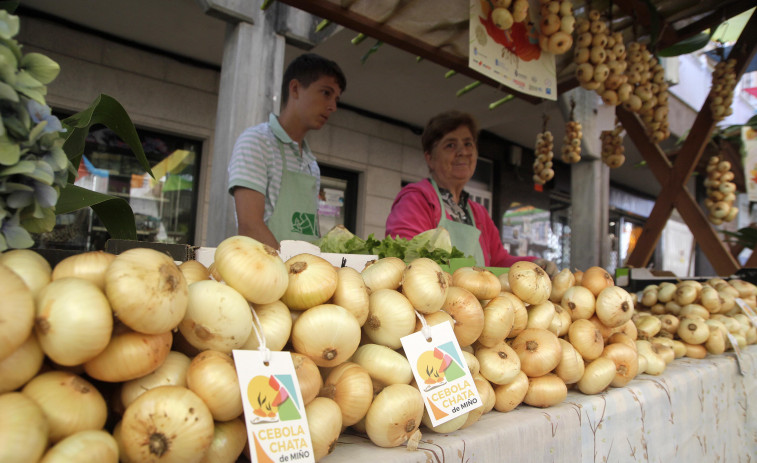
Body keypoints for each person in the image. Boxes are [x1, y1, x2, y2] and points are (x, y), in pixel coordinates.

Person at [385, 110, 557, 273]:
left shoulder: (478, 213)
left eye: (468, 143)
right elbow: (406, 259)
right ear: (430, 157)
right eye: (450, 145)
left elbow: (498, 260)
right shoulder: (416, 199)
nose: (463, 152)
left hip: (475, 302)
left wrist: (533, 264)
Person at [227, 53, 347, 249]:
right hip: (265, 272)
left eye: (336, 99)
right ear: (295, 89)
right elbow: (250, 226)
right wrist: (289, 273)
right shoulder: (256, 142)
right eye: (326, 93)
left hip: (304, 274)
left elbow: (310, 232)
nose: (332, 106)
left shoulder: (311, 165)